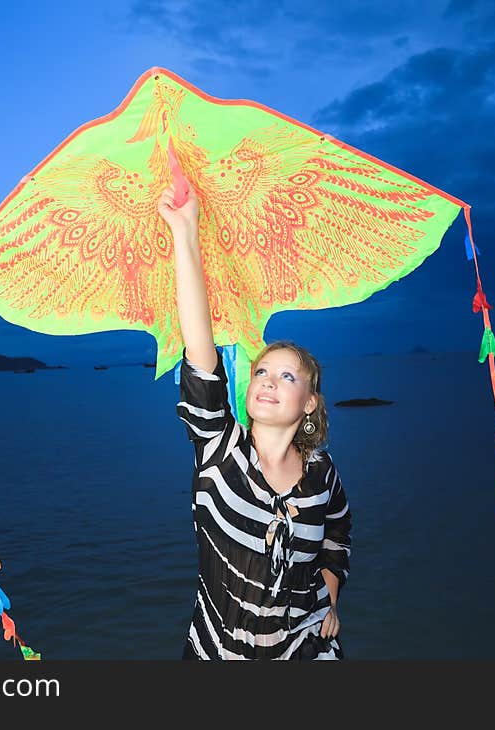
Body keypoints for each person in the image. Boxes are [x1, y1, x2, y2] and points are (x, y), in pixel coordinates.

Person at [158, 182, 353, 660]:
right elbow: (200, 350)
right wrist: (185, 234)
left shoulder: (322, 475)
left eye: (287, 375)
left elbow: (338, 534)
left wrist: (328, 597)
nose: (268, 380)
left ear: (310, 402)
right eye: (262, 371)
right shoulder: (219, 450)